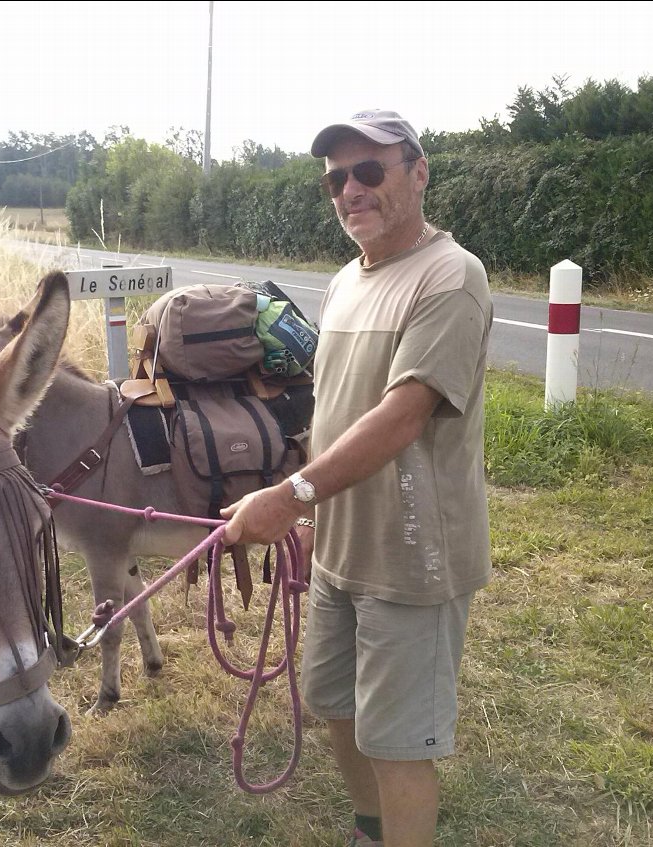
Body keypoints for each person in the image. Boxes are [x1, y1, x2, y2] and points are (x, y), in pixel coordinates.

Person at [222, 109, 493, 847]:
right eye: (337, 178)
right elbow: (336, 411)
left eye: (369, 171)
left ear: (418, 171)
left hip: (413, 554)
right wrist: (309, 517)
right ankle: (371, 832)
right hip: (342, 544)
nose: (351, 190)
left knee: (398, 739)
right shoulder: (345, 281)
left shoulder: (450, 276)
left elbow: (405, 414)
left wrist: (289, 495)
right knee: (335, 703)